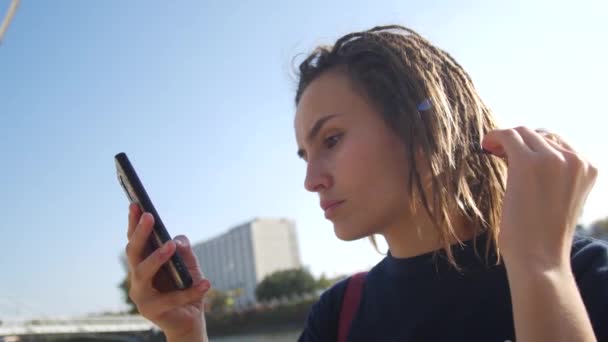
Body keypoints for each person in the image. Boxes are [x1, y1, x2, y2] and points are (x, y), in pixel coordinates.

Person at [124, 25, 607, 342]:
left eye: (331, 139)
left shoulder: (585, 278)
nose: (312, 180)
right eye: (304, 155)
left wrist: (541, 269)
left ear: (425, 125)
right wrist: (186, 332)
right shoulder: (338, 315)